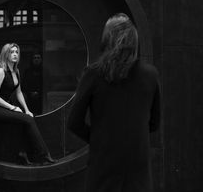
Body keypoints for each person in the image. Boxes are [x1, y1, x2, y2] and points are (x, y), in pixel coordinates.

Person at [67, 13, 161, 192]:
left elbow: (73, 122)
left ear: (107, 38)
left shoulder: (93, 74)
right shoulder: (151, 75)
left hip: (104, 164)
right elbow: (154, 123)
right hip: (137, 167)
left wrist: (99, 138)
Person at [0, 43, 55, 165]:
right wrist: (12, 107)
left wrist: (26, 109)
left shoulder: (16, 71)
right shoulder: (0, 71)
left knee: (27, 117)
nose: (15, 54)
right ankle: (44, 155)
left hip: (3, 106)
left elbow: (19, 93)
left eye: (16, 52)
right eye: (11, 52)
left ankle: (23, 153)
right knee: (26, 120)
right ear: (5, 55)